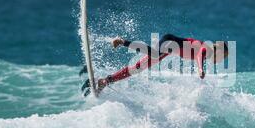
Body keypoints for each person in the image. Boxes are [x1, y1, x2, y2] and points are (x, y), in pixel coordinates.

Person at [81, 34, 228, 96]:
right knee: (153, 54)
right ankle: (121, 41)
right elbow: (198, 55)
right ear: (218, 51)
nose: (221, 60)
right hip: (169, 42)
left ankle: (104, 81)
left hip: (167, 50)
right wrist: (200, 69)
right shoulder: (205, 48)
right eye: (223, 57)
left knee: (137, 69)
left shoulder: (206, 49)